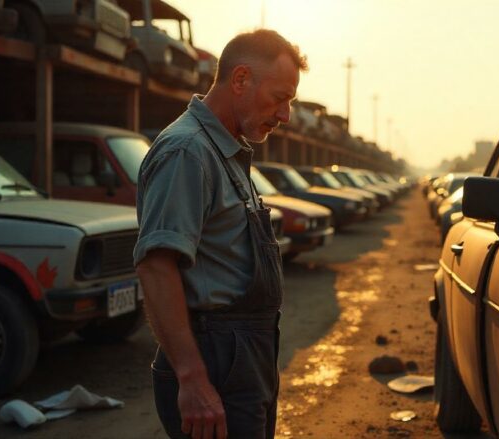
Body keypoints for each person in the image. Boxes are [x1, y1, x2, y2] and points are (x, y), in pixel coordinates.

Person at [133, 29, 308, 439]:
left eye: (291, 102)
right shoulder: (187, 151)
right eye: (279, 98)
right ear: (241, 79)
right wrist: (192, 378)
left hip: (244, 358)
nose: (285, 115)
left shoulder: (224, 150)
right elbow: (157, 267)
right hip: (214, 361)